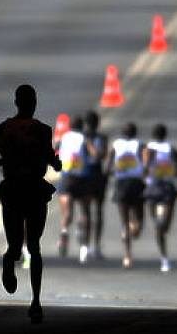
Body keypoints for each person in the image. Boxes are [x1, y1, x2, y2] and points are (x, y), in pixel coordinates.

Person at [0, 84, 61, 323]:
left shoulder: (3, 129)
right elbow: (49, 158)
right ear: (34, 103)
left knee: (15, 248)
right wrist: (56, 165)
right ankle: (35, 302)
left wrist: (4, 161)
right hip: (34, 190)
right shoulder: (43, 130)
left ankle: (8, 262)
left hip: (12, 190)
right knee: (34, 246)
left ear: (16, 103)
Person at [143, 124, 177, 273]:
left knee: (163, 226)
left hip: (166, 188)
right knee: (159, 226)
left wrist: (174, 171)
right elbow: (143, 170)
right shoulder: (148, 150)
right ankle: (164, 258)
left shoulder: (170, 149)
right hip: (154, 189)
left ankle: (163, 253)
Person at [105, 122, 145, 268]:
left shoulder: (115, 145)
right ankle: (135, 226)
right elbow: (145, 163)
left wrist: (111, 172)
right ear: (135, 133)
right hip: (136, 183)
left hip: (121, 184)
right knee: (139, 218)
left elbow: (107, 166)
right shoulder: (140, 144)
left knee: (124, 222)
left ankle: (127, 256)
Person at [56, 116, 93, 264]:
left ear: (69, 127)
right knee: (85, 212)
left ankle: (64, 233)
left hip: (67, 178)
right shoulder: (84, 139)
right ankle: (84, 248)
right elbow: (95, 154)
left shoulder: (63, 138)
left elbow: (52, 149)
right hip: (82, 178)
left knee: (67, 213)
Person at [83, 110, 109, 260]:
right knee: (98, 212)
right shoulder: (102, 138)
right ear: (97, 123)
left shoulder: (82, 138)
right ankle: (95, 246)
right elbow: (102, 156)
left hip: (85, 176)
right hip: (97, 175)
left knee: (86, 212)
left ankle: (86, 247)